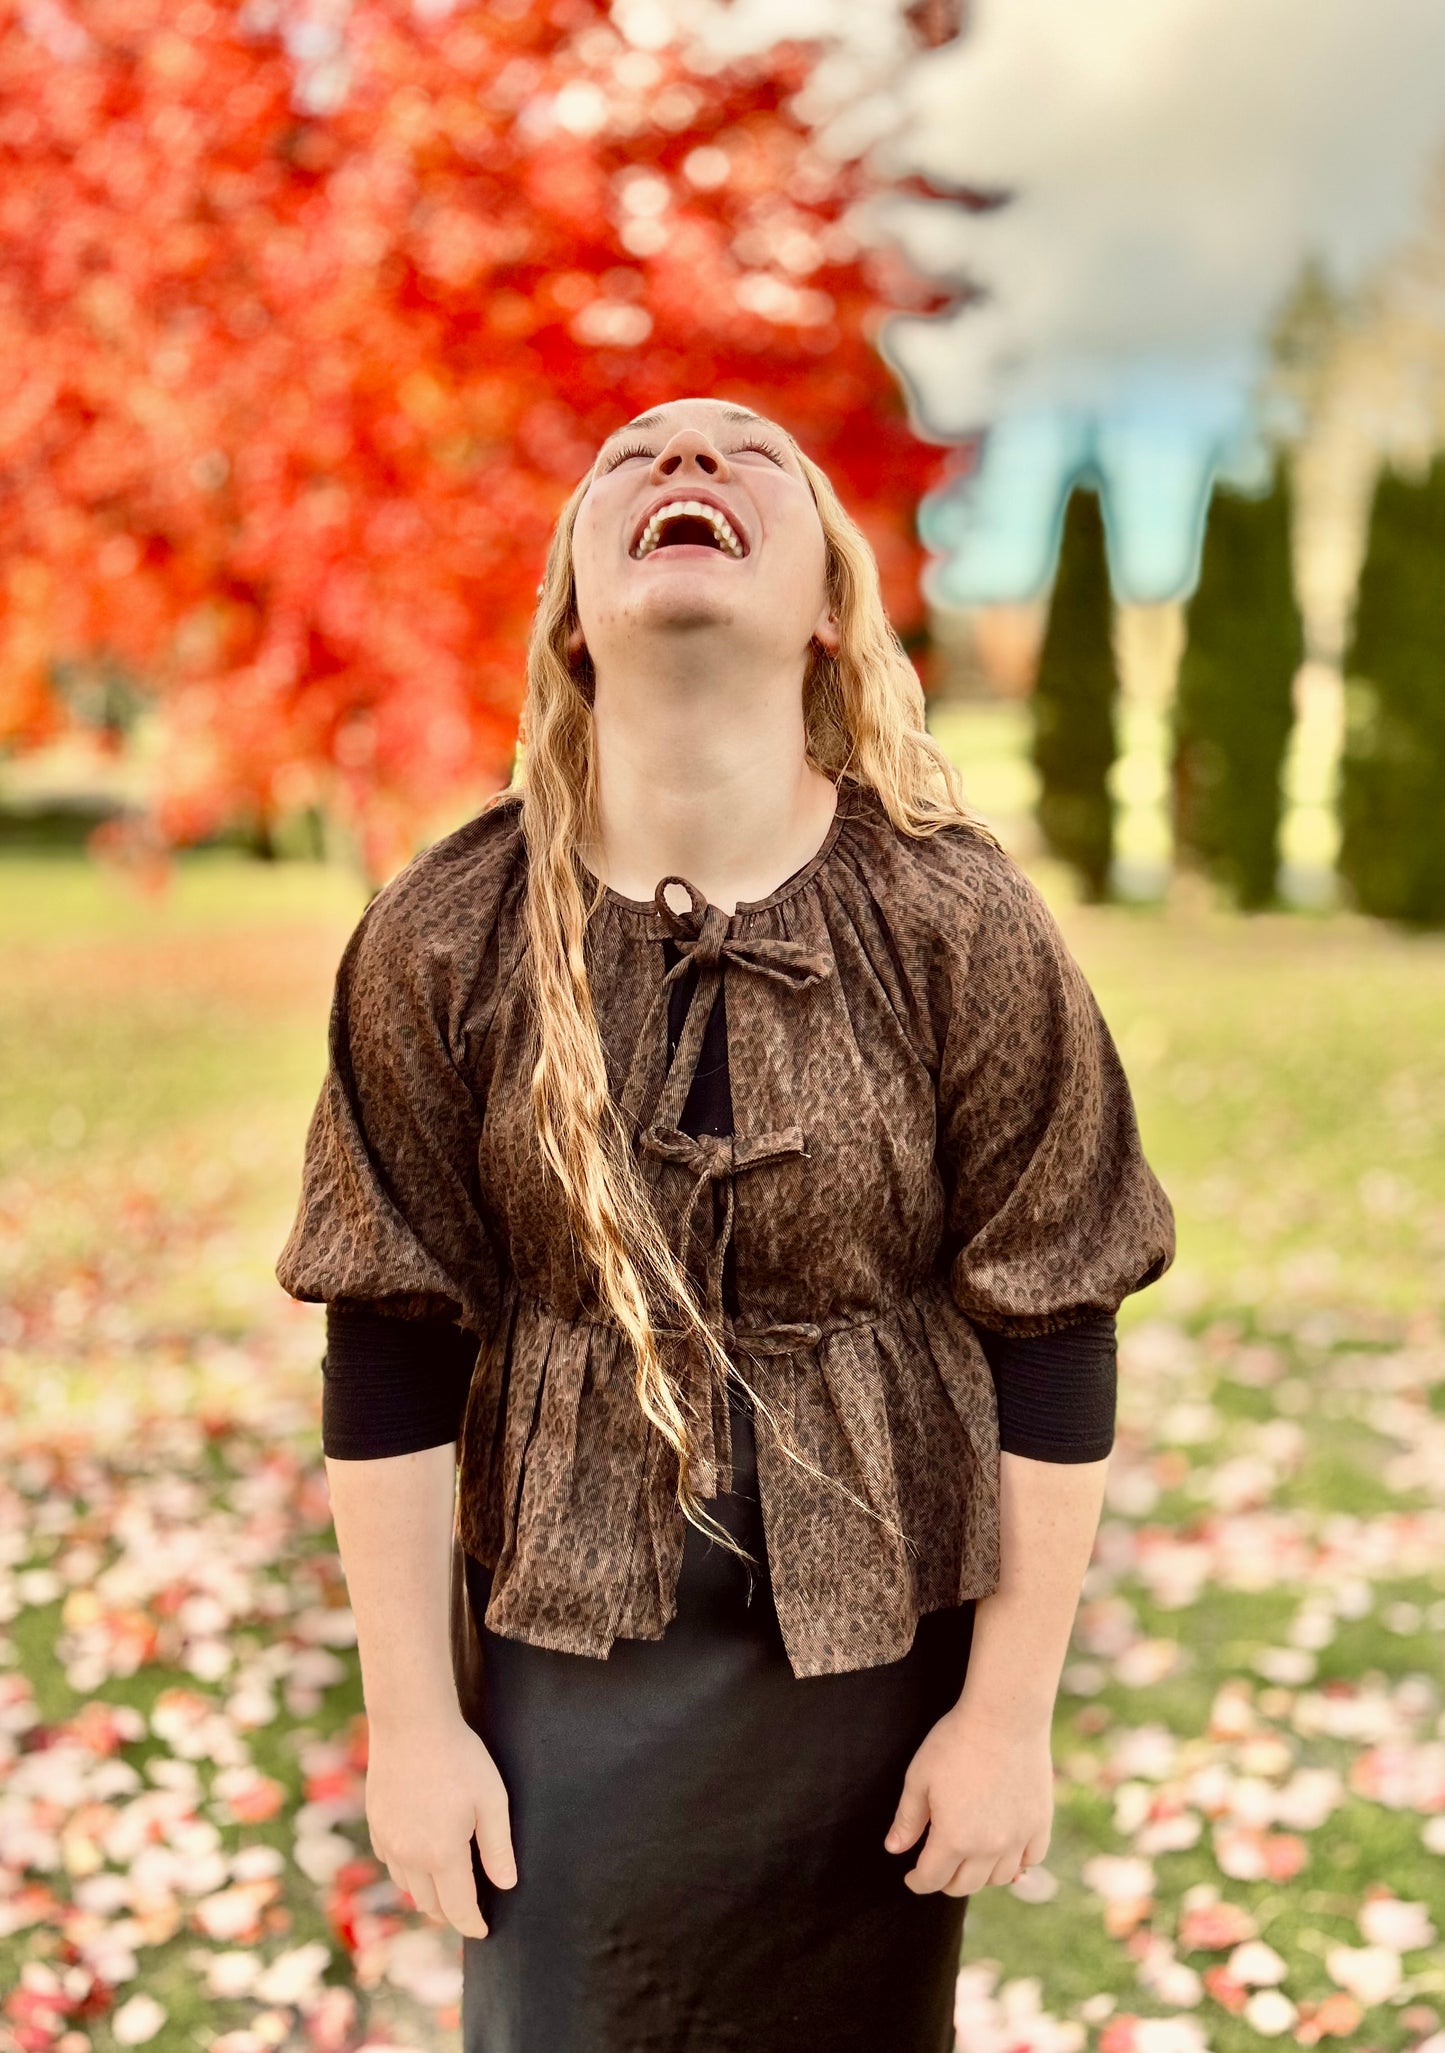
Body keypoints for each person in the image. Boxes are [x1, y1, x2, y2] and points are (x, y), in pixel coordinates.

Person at [275, 396, 1175, 2053]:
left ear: (828, 601)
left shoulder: (952, 918)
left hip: (876, 1660)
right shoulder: (445, 933)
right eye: (628, 455)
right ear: (569, 607)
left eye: (745, 453)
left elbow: (1056, 1321)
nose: (683, 464)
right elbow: (384, 1348)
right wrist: (412, 1725)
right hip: (565, 1658)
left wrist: (1006, 1715)